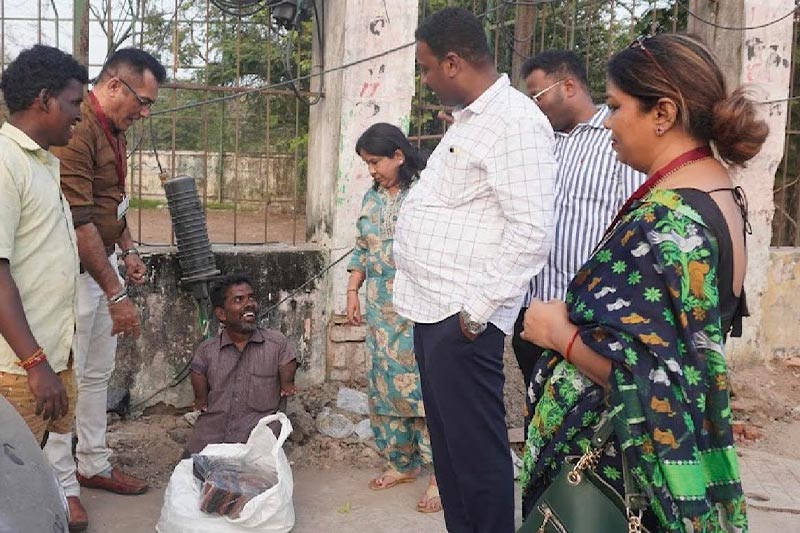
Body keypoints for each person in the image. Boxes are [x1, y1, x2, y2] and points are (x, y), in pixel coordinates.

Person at [519, 34, 768, 531]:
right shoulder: (711, 191)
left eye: (615, 106)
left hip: (620, 479)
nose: (608, 122)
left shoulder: (673, 225)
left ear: (663, 113)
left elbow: (666, 382)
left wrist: (558, 335)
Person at [393, 8, 556, 532]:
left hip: (464, 316)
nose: (424, 80)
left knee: (478, 454)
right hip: (434, 308)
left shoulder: (516, 122)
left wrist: (478, 312)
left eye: (426, 68)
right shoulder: (474, 120)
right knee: (451, 450)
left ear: (454, 62)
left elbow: (532, 231)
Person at [42, 48, 167, 524]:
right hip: (72, 276)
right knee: (68, 378)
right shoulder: (76, 133)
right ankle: (60, 481)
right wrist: (116, 294)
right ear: (114, 85)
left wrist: (129, 248)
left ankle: (92, 462)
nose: (145, 111)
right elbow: (79, 222)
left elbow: (111, 201)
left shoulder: (112, 129)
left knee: (97, 375)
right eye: (142, 100)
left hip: (100, 267)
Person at [512, 50, 646, 432]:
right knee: (541, 417)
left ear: (568, 86)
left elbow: (633, 226)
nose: (535, 105)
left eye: (538, 95)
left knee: (585, 426)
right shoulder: (544, 143)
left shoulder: (616, 139)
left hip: (588, 321)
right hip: (535, 312)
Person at [0, 44, 87, 531]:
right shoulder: (5, 163)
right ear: (44, 99)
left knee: (29, 478)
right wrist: (36, 364)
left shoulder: (42, 162)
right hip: (16, 368)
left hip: (47, 357)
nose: (79, 115)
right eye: (74, 103)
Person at [346, 123, 441, 514]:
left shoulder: (424, 194)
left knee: (424, 392)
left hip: (420, 310)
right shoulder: (371, 198)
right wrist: (352, 290)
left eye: (375, 162)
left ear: (398, 156)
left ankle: (440, 476)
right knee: (385, 387)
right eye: (366, 163)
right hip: (381, 313)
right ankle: (403, 463)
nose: (371, 170)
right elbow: (361, 249)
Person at [185, 274, 297, 454]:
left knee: (253, 478)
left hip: (257, 440)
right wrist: (200, 400)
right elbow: (197, 374)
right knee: (191, 476)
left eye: (251, 298)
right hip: (213, 437)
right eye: (239, 300)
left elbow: (289, 364)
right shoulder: (207, 351)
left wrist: (287, 382)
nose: (249, 304)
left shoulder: (277, 345)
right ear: (221, 313)